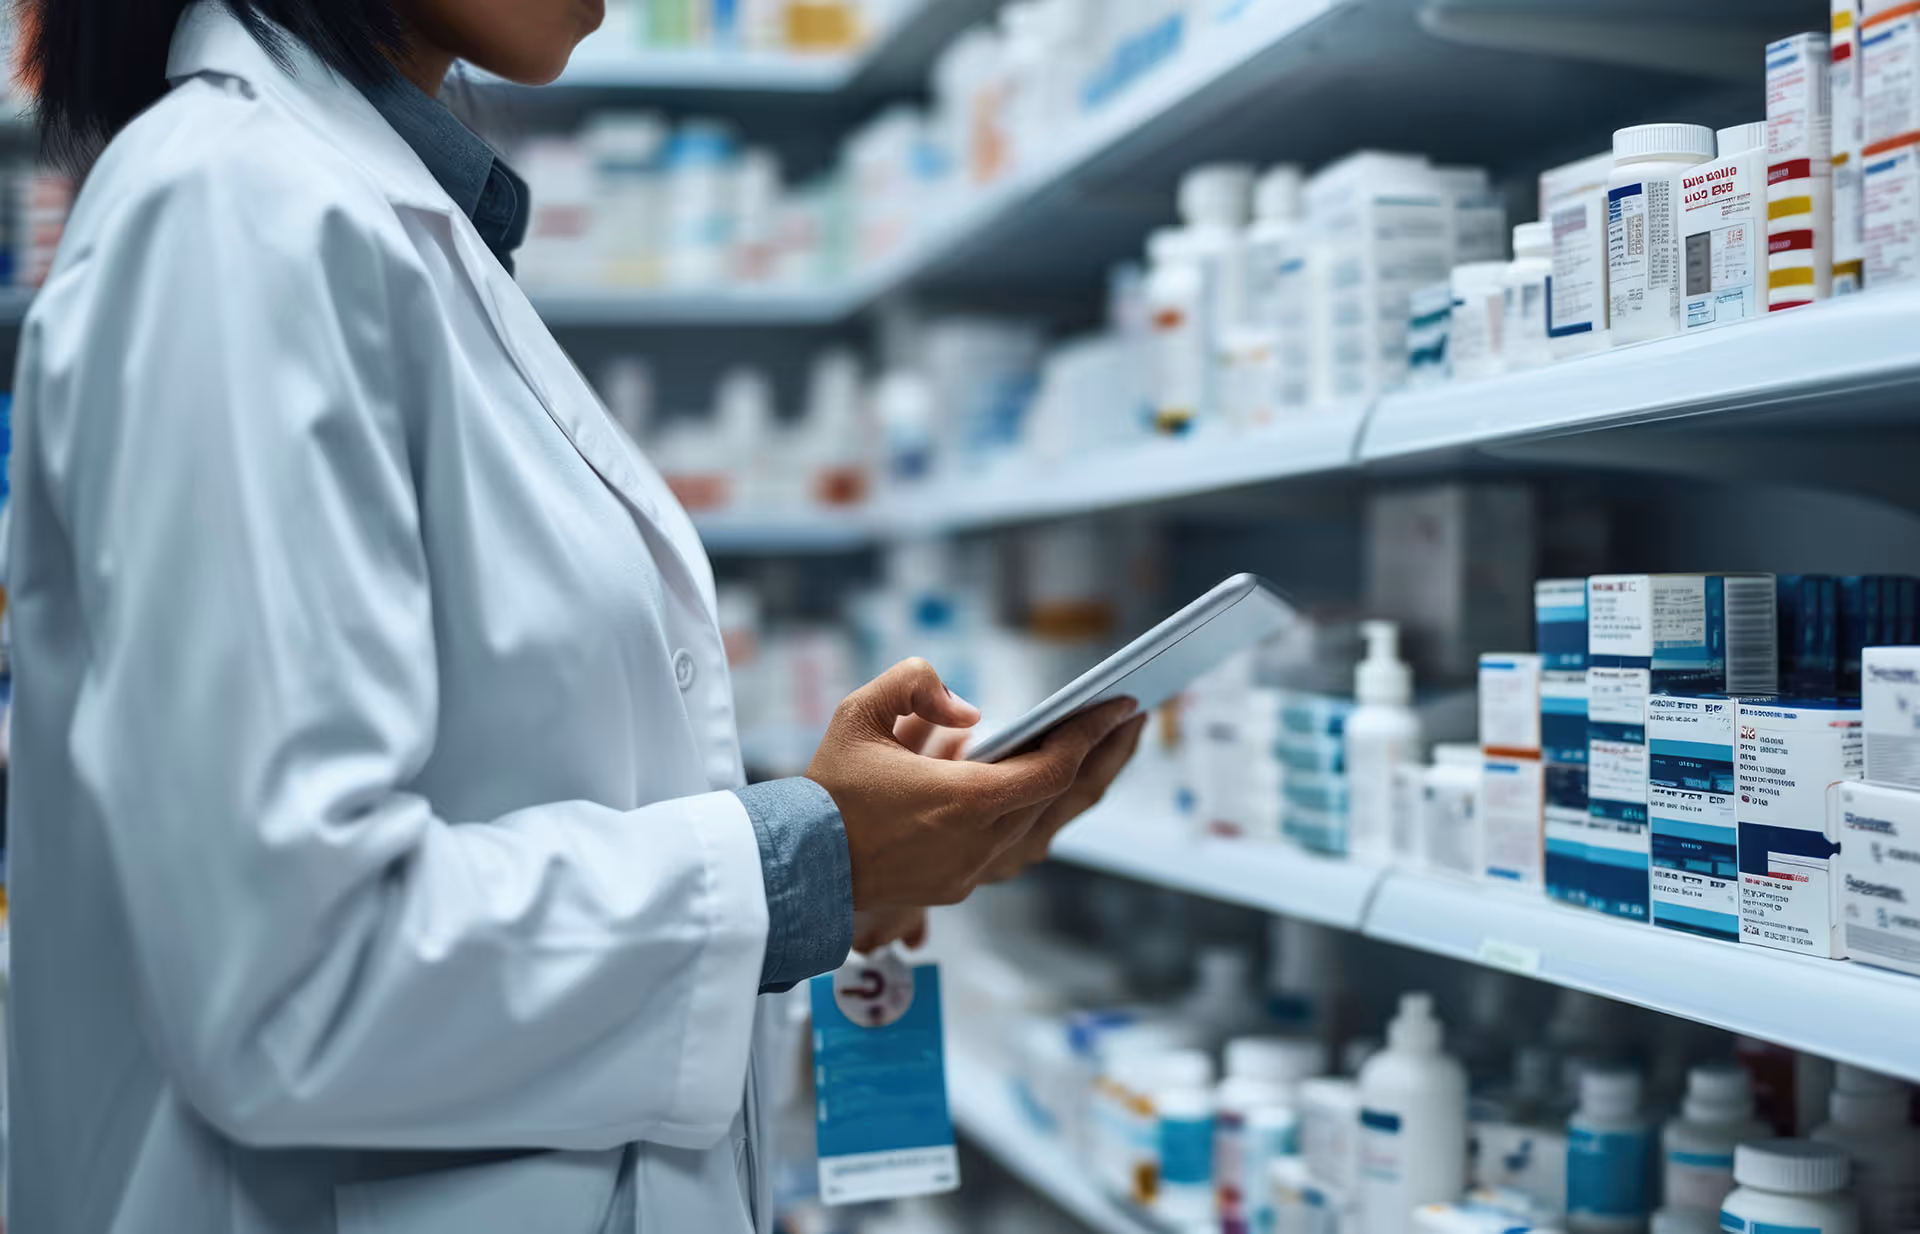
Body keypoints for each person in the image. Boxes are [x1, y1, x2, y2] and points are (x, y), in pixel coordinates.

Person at [4, 2, 1149, 1232]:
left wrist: (851, 872)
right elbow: (293, 981)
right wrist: (804, 865)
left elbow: (486, 804)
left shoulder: (371, 213)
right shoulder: (233, 214)